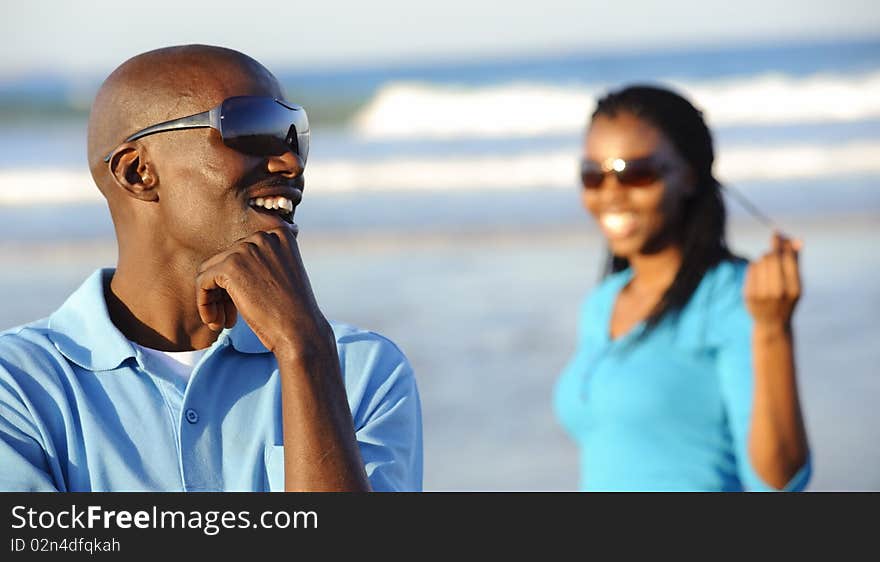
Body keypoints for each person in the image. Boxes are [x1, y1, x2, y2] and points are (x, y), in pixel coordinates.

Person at [0, 45, 422, 492]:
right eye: (252, 131)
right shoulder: (21, 386)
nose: (290, 163)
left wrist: (304, 347)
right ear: (137, 172)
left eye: (295, 135)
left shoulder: (359, 369)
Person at [554, 85, 811, 491]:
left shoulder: (732, 296)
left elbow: (779, 484)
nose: (611, 194)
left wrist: (772, 330)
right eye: (592, 176)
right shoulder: (603, 302)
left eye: (634, 173)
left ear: (689, 176)